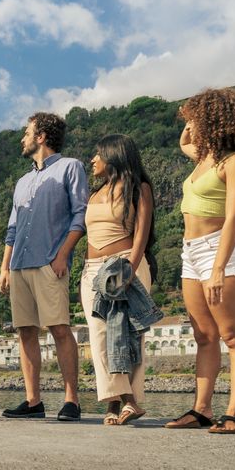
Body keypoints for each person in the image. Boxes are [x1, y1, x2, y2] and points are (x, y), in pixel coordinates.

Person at [166, 88, 235, 433]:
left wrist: (219, 267)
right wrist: (189, 121)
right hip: (190, 252)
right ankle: (201, 409)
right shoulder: (203, 156)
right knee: (204, 335)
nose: (191, 126)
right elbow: (184, 143)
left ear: (214, 120)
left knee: (233, 335)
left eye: (197, 118)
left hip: (218, 249)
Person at [0, 112, 88, 421]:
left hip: (50, 261)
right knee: (25, 331)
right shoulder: (22, 181)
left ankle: (71, 400)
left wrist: (62, 255)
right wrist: (4, 267)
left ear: (41, 137)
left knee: (60, 329)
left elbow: (80, 216)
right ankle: (33, 401)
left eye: (27, 133)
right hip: (20, 264)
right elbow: (13, 228)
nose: (22, 138)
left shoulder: (70, 167)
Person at [80, 134, 157, 425]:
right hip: (93, 272)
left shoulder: (138, 188)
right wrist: (85, 276)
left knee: (129, 336)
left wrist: (130, 269)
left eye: (97, 155)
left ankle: (118, 405)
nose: (93, 160)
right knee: (99, 335)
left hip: (125, 264)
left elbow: (142, 234)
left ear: (113, 155)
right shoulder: (95, 193)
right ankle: (123, 401)